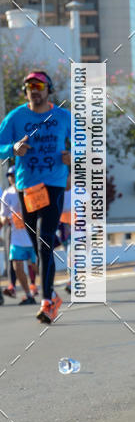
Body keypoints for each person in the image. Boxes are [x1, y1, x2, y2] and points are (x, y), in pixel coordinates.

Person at [0, 71, 70, 323]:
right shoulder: (16, 117)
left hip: (53, 183)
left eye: (39, 85)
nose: (34, 90)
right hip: (26, 188)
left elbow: (86, 145)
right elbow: (0, 145)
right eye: (30, 86)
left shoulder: (63, 116)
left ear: (48, 89)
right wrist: (12, 149)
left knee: (45, 242)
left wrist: (73, 156)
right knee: (38, 246)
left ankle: (46, 302)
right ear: (25, 91)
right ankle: (51, 295)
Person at [0, 166, 37, 304]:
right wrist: (5, 220)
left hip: (32, 237)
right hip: (16, 238)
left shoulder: (31, 190)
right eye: (10, 175)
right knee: (17, 267)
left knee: (37, 267)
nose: (12, 177)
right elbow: (2, 216)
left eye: (15, 174)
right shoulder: (7, 194)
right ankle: (28, 295)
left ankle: (49, 291)